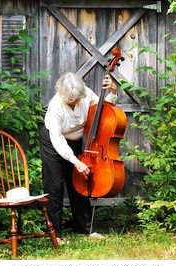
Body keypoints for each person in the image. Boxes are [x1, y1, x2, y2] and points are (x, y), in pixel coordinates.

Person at [39, 72, 118, 244]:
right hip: (53, 143)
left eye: (77, 99)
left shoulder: (85, 93)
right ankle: (56, 234)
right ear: (63, 95)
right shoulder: (55, 107)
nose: (75, 102)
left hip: (75, 142)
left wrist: (113, 92)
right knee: (55, 186)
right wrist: (76, 162)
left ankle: (85, 228)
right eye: (71, 100)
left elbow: (102, 110)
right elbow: (58, 140)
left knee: (79, 183)